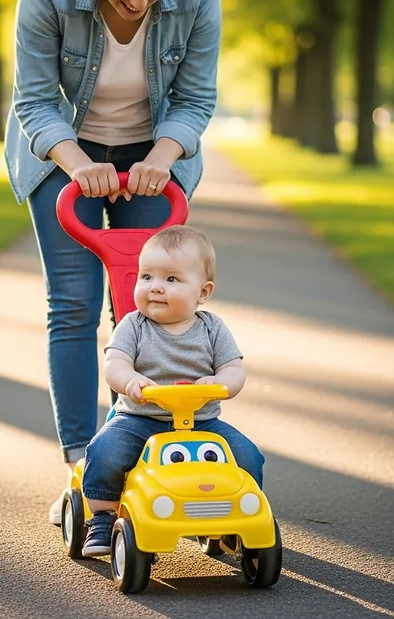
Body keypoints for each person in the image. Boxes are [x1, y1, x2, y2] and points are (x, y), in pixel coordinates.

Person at [4, 0, 223, 525]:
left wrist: (163, 154)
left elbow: (196, 96)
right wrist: (81, 164)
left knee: (144, 306)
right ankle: (82, 467)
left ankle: (137, 461)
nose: (139, 0)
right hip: (62, 153)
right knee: (72, 304)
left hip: (155, 154)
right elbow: (37, 97)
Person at [79, 225, 264, 556]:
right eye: (146, 277)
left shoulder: (212, 328)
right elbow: (114, 364)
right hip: (140, 419)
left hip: (201, 423)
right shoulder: (133, 325)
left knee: (248, 456)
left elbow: (234, 368)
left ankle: (235, 517)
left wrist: (222, 384)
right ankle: (102, 518)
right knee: (104, 451)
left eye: (171, 280)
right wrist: (130, 381)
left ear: (203, 292)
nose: (155, 288)